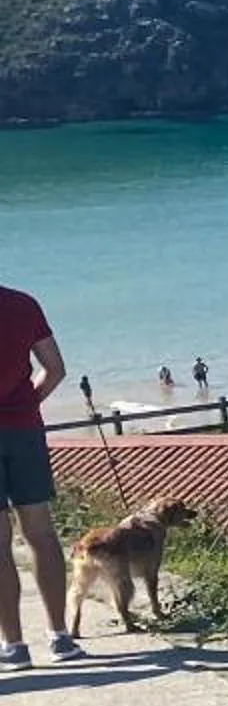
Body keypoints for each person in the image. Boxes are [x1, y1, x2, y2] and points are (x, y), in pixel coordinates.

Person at [1, 282, 80, 664]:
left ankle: (15, 645)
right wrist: (28, 403)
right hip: (24, 431)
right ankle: (60, 636)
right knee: (41, 533)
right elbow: (55, 369)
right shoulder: (22, 304)